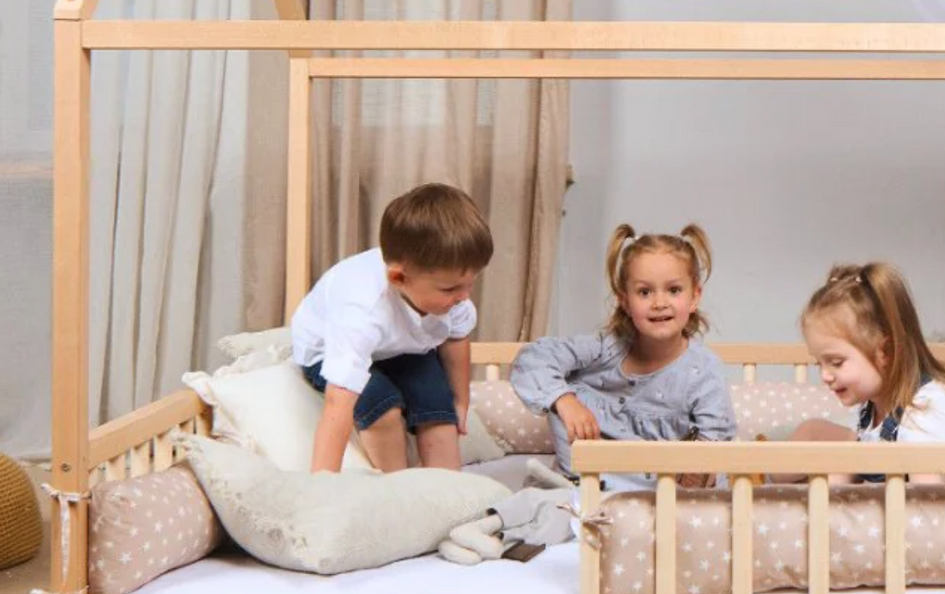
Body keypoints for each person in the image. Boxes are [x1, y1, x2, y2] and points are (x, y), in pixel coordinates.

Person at [510, 224, 735, 486]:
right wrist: (566, 401)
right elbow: (532, 359)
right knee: (558, 391)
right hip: (583, 478)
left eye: (674, 290)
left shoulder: (703, 371)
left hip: (661, 486)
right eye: (644, 292)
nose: (659, 303)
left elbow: (715, 438)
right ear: (624, 301)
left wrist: (698, 472)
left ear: (694, 297)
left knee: (704, 469)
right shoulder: (604, 349)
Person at [292, 183, 492, 473]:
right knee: (381, 406)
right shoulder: (361, 310)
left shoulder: (454, 299)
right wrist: (323, 483)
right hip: (326, 349)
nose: (464, 296)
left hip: (400, 347)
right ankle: (397, 486)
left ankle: (448, 492)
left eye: (471, 283)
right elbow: (339, 403)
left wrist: (460, 401)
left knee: (438, 409)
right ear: (399, 278)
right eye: (450, 289)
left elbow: (456, 340)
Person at [789, 263, 945, 484]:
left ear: (886, 351)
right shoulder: (872, 408)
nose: (825, 376)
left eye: (836, 363)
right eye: (818, 364)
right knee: (815, 435)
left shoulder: (928, 412)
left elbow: (926, 502)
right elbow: (851, 465)